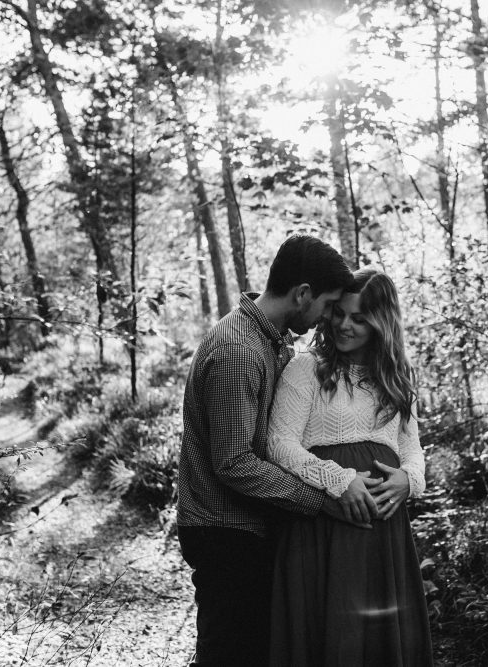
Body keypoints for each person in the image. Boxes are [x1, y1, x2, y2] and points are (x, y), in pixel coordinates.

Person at [176, 234, 378, 667]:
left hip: (245, 528)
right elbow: (234, 462)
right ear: (302, 294)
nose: (328, 318)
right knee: (230, 653)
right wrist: (323, 499)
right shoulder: (238, 350)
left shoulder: (267, 339)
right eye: (327, 305)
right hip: (224, 531)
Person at [266, 267, 434, 666]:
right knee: (327, 637)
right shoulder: (307, 368)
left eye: (359, 318)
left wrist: (409, 482)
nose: (344, 325)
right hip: (322, 526)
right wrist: (338, 480)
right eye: (339, 313)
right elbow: (278, 443)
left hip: (383, 536)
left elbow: (413, 451)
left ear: (381, 322)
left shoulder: (396, 378)